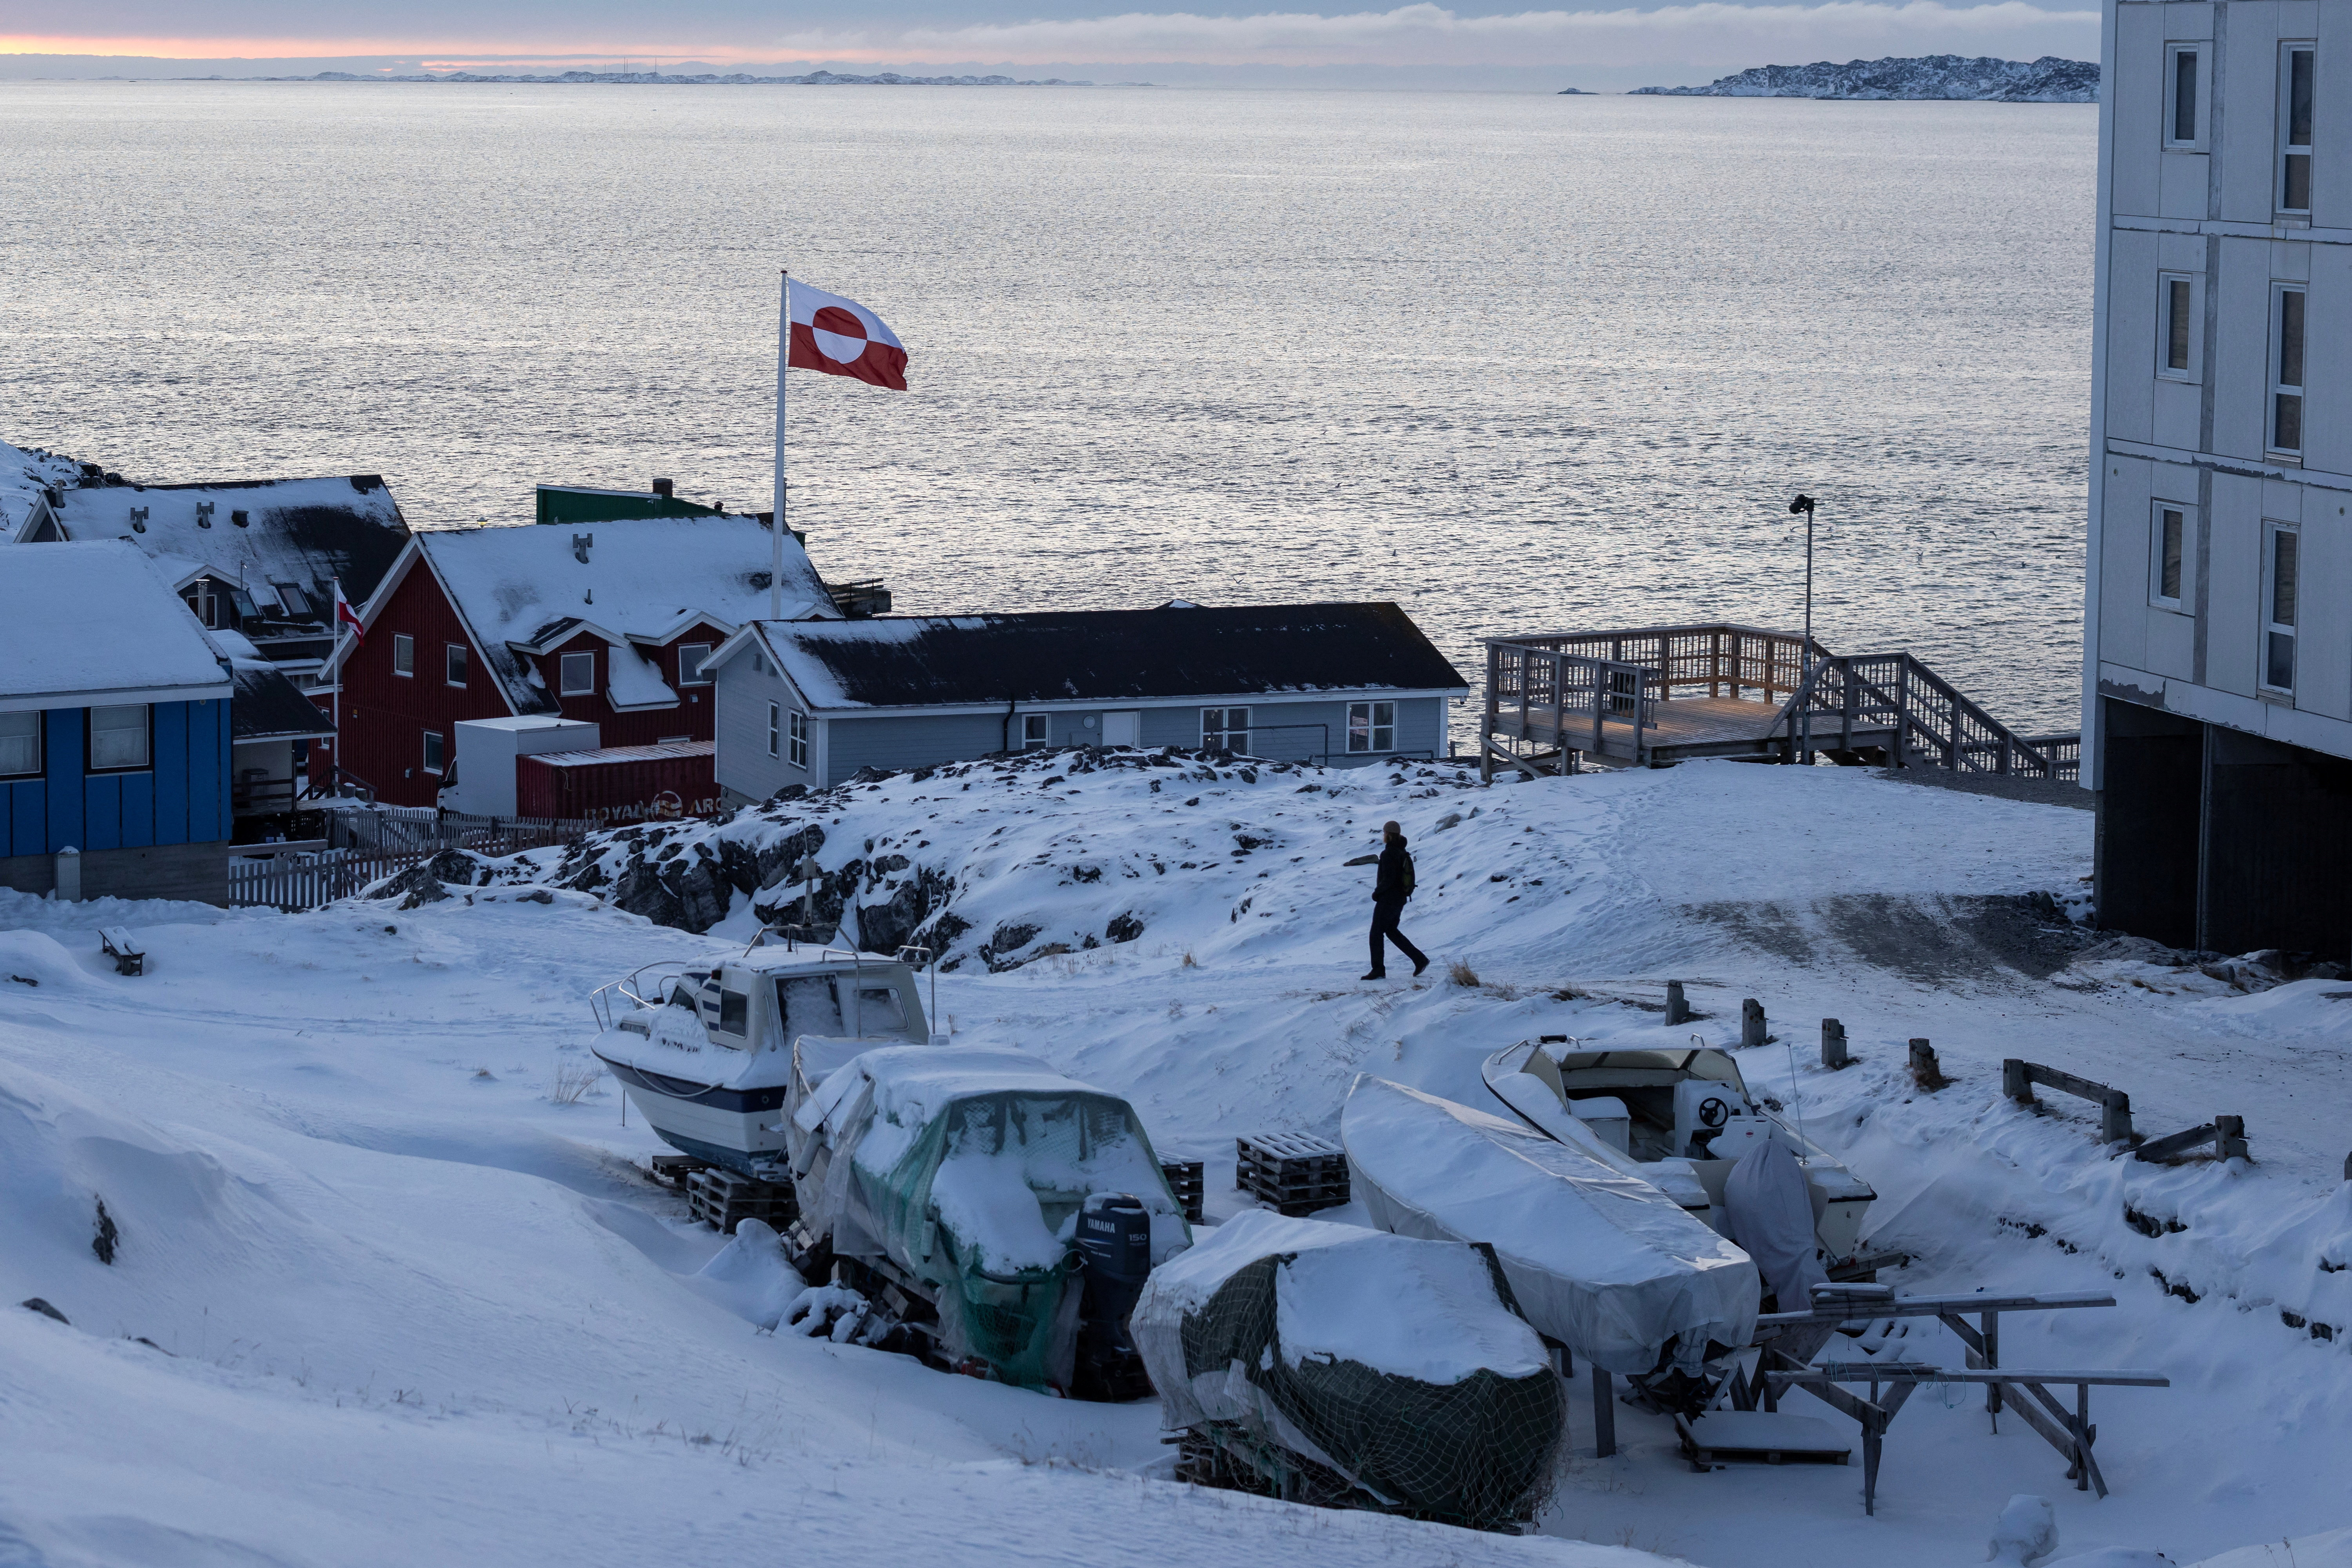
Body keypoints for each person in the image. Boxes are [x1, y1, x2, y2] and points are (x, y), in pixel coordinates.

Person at [1363, 820, 1428, 980]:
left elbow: (1389, 879)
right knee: (1391, 931)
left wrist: (1377, 893)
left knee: (1376, 934)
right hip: (1400, 899)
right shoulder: (1401, 852)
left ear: (1388, 834)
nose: (1383, 835)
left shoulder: (1389, 854)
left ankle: (1378, 970)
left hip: (1388, 900)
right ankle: (1420, 960)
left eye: (1384, 833)